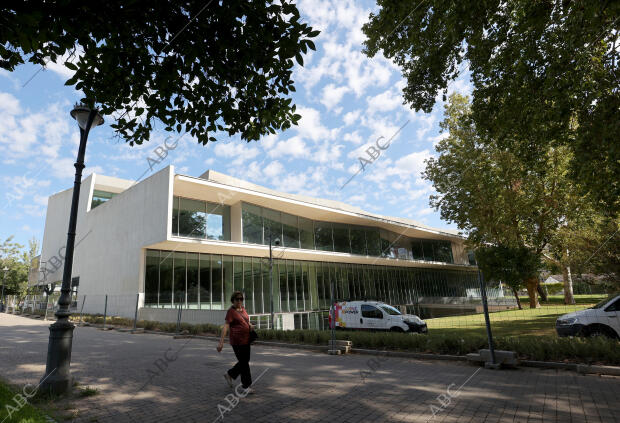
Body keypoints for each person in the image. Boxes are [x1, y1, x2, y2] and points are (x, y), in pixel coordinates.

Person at [217, 291, 254, 393]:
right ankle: (246, 386)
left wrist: (250, 325)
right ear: (232, 300)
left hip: (246, 340)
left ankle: (230, 374)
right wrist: (221, 342)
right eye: (237, 299)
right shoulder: (231, 312)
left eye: (241, 299)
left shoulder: (243, 309)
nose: (239, 301)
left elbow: (245, 320)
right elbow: (226, 326)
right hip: (237, 341)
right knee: (244, 363)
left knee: (245, 361)